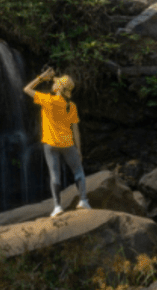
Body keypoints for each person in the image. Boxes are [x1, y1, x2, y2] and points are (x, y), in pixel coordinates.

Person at [23, 66, 91, 217]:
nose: (53, 84)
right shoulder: (70, 106)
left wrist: (42, 77)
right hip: (68, 144)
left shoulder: (48, 100)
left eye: (56, 83)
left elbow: (26, 89)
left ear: (58, 87)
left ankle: (58, 207)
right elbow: (75, 130)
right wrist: (78, 149)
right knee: (78, 171)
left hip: (51, 144)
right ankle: (84, 200)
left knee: (55, 176)